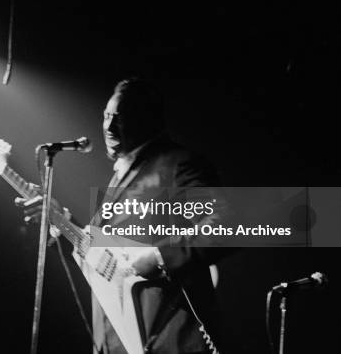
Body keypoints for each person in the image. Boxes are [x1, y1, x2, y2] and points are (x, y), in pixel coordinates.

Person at [15, 78, 230, 354]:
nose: (109, 127)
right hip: (116, 342)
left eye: (121, 117)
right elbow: (111, 258)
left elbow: (225, 223)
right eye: (106, 116)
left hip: (168, 340)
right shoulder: (122, 178)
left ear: (147, 119)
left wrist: (159, 257)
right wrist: (61, 219)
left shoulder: (177, 164)